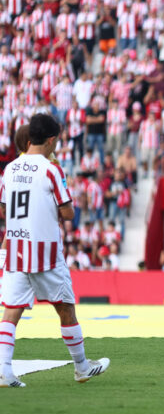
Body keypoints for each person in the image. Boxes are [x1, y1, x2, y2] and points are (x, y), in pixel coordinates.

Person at [0, 113, 110, 387]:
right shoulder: (51, 169)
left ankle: (4, 370)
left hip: (16, 249)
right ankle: (82, 367)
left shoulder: (10, 169)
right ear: (50, 140)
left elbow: (3, 209)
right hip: (45, 252)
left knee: (11, 312)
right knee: (65, 309)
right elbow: (68, 212)